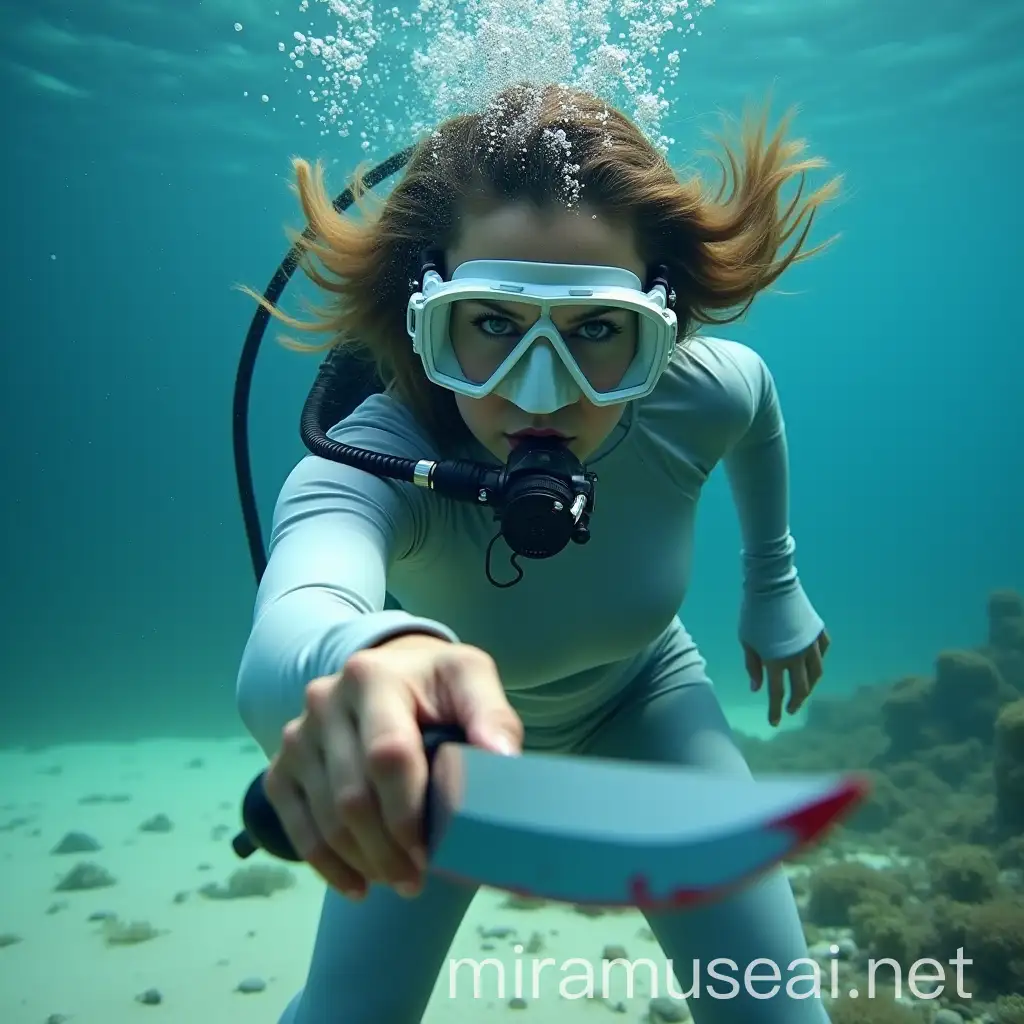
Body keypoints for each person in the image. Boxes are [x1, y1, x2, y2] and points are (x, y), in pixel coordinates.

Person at [236, 82, 840, 1024]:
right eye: (493, 326)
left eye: (599, 330)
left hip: (648, 704)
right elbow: (294, 618)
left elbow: (756, 404)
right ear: (422, 318)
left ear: (661, 326)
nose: (542, 395)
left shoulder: (698, 393)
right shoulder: (371, 462)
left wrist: (776, 581)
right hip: (441, 757)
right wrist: (369, 666)